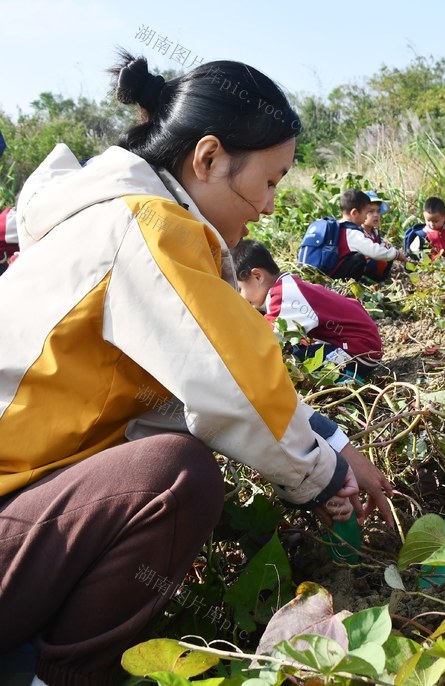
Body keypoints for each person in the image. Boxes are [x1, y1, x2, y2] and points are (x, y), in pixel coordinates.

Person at [0, 53, 393, 684]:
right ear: (207, 158)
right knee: (175, 476)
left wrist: (333, 445)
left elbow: (188, 392)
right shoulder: (147, 225)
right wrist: (324, 478)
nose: (269, 206)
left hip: (20, 504)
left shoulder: (108, 215)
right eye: (269, 181)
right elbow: (231, 386)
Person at [232, 239, 383, 380]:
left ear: (257, 276)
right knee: (294, 351)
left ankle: (347, 379)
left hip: (359, 352)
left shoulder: (283, 296)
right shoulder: (287, 286)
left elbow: (268, 340)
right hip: (359, 343)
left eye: (240, 289)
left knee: (293, 366)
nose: (241, 297)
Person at [340, 189, 403, 282]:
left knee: (387, 253)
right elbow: (373, 251)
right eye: (370, 212)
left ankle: (379, 281)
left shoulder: (375, 232)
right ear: (356, 213)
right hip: (353, 269)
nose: (376, 215)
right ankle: (364, 282)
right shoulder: (355, 232)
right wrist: (396, 254)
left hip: (370, 268)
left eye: (378, 211)